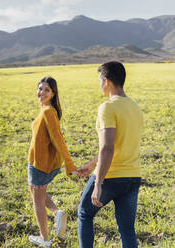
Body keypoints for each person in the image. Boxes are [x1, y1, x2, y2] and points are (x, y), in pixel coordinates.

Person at [76, 61, 144, 248]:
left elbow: (108, 148)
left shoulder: (107, 107)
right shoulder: (135, 107)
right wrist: (91, 165)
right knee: (127, 230)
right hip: (132, 177)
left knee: (84, 214)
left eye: (99, 80)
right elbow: (119, 143)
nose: (99, 84)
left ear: (106, 81)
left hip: (111, 177)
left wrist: (98, 182)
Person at [28, 76, 77, 247]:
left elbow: (58, 139)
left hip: (41, 164)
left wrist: (70, 164)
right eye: (40, 88)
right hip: (40, 162)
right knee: (34, 191)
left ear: (53, 94)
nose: (41, 92)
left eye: (46, 90)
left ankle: (45, 239)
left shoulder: (48, 112)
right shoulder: (47, 110)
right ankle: (57, 213)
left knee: (38, 201)